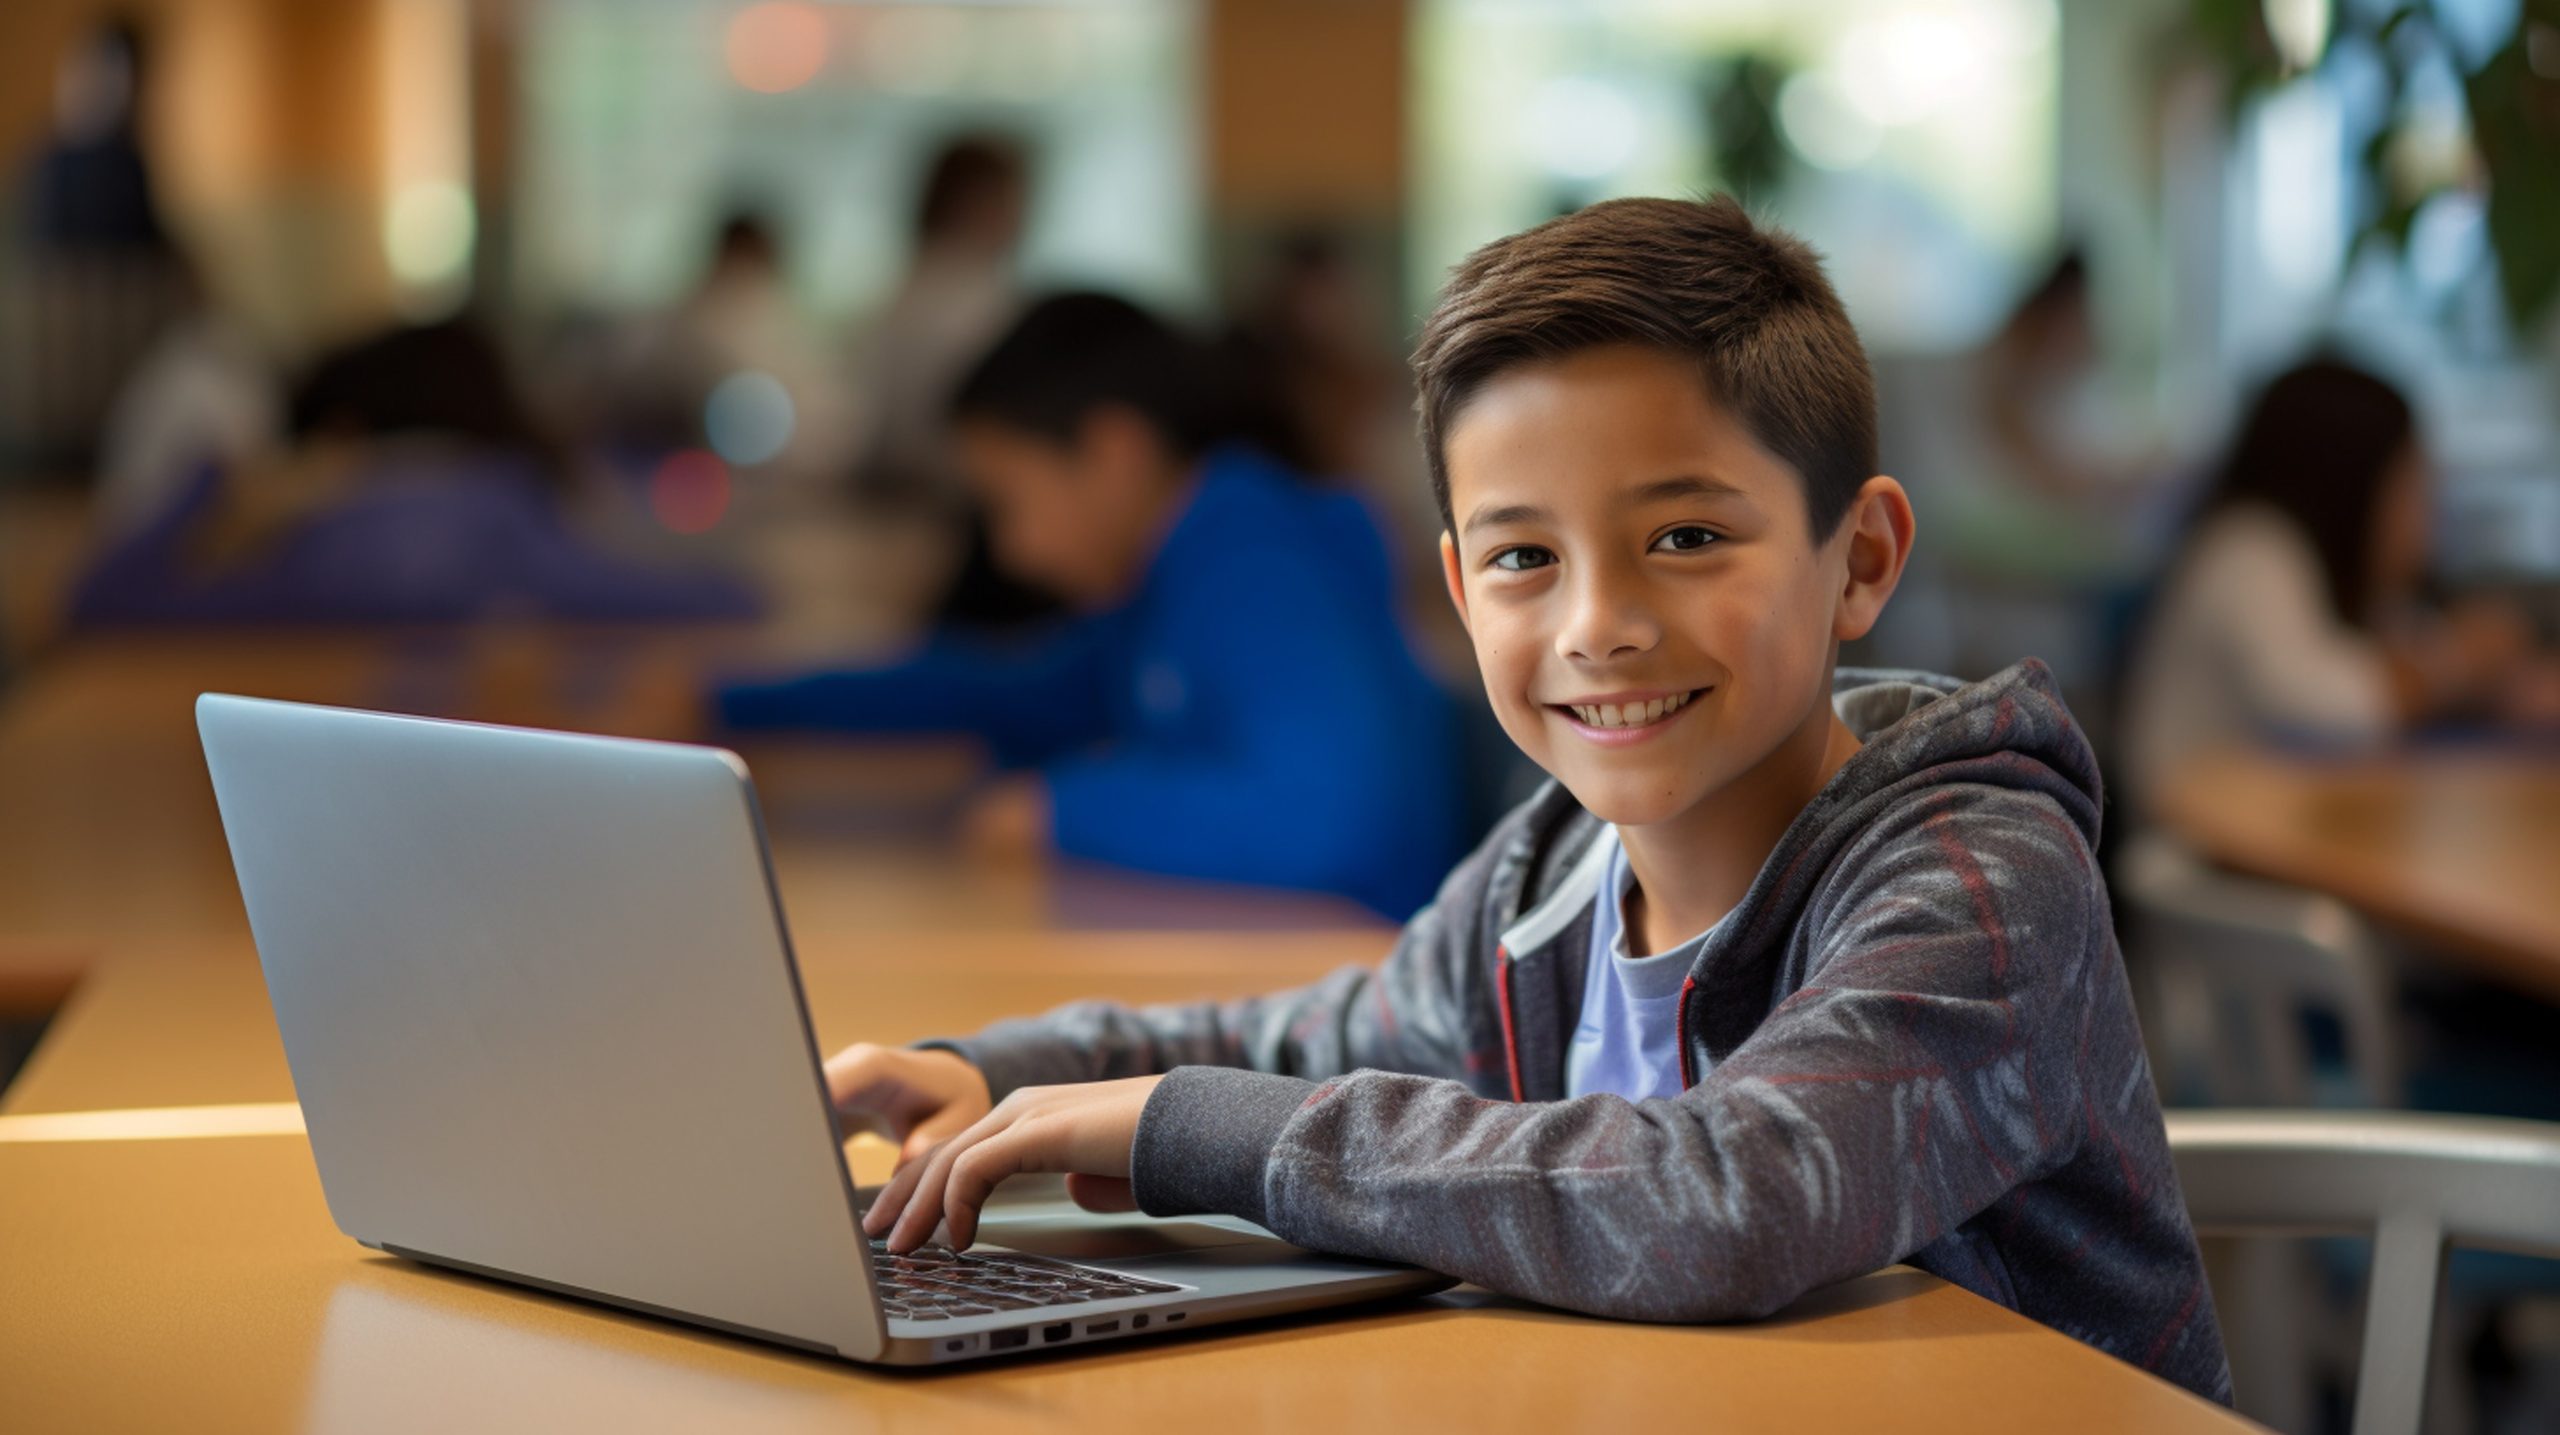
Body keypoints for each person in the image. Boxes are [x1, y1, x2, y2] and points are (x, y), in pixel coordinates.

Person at [816, 198, 2232, 1402]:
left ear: (1858, 556)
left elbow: (1734, 1196)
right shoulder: (1551, 864)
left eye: (1686, 536)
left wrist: (1193, 1132)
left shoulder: (1978, 877)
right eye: (1523, 558)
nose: (1598, 624)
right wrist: (1006, 1073)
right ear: (1456, 586)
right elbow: (1322, 1035)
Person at [713, 293, 1463, 919]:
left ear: (1112, 451)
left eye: (1008, 502)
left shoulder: (1256, 561)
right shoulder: (1174, 576)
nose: (1011, 550)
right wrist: (726, 705)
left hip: (1370, 1024)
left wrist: (1059, 810)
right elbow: (995, 689)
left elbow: (1330, 819)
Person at [2120, 357, 2551, 810]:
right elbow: (2321, 705)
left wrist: (2499, 681)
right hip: (2196, 860)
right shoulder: (2249, 550)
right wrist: (2457, 660)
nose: (2427, 513)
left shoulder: (2347, 578)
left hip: (2296, 829)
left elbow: (2403, 653)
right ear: (2352, 479)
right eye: (2410, 484)